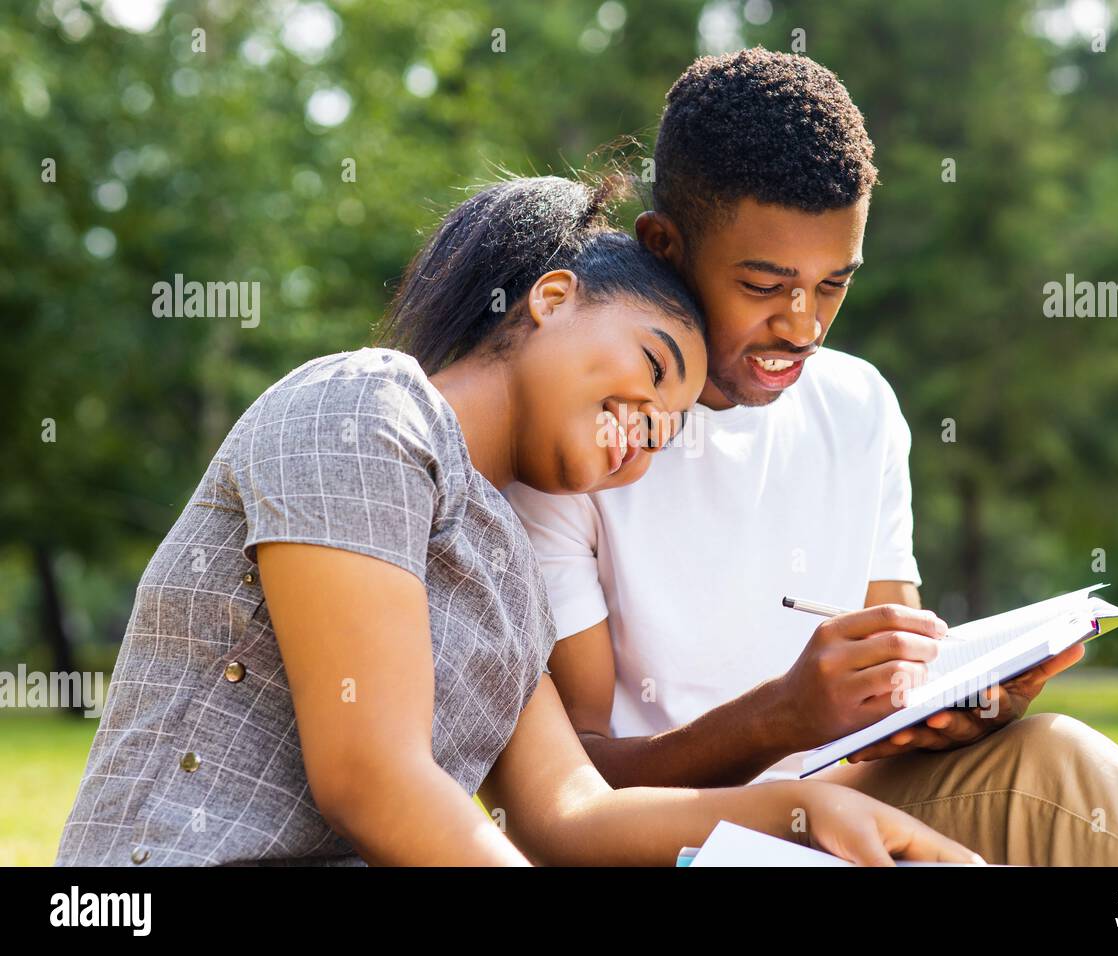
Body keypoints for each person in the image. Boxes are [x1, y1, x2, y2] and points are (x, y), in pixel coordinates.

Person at [504, 50, 1118, 866]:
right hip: (684, 843)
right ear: (664, 244)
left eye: (833, 284)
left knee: (1041, 756)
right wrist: (778, 718)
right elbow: (572, 793)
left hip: (841, 817)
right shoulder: (583, 443)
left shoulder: (858, 407)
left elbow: (893, 697)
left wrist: (961, 706)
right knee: (1047, 781)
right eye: (765, 286)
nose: (803, 325)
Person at [54, 174, 979, 867]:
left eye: (672, 425)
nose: (649, 430)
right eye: (654, 369)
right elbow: (372, 777)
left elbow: (567, 809)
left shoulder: (499, 558)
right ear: (552, 298)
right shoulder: (364, 410)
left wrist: (802, 816)